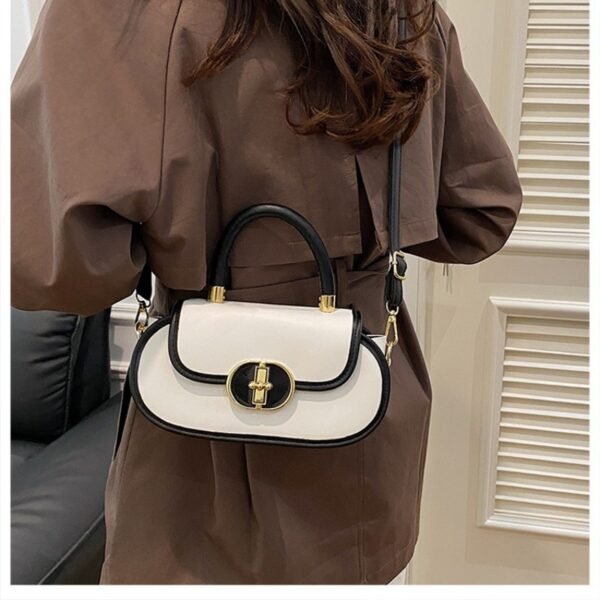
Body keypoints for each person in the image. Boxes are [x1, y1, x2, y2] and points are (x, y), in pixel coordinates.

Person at [11, 0, 522, 585]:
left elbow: (58, 268)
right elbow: (481, 210)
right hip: (367, 429)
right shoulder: (400, 14)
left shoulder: (120, 12)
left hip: (200, 445)